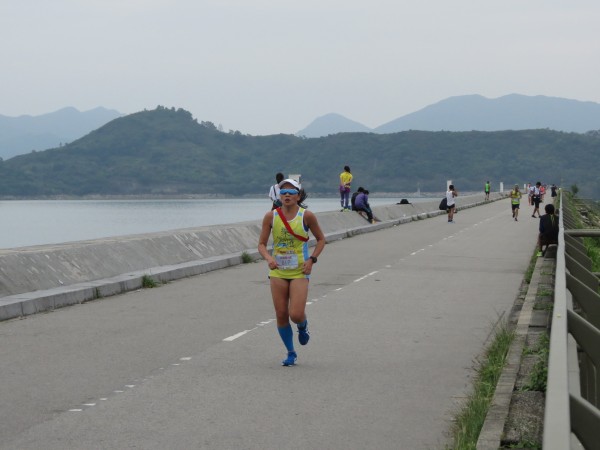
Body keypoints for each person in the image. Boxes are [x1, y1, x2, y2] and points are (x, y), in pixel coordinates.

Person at [258, 178, 326, 366]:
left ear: (298, 195)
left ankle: (303, 326)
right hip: (278, 271)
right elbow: (261, 244)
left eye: (291, 192)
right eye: (283, 192)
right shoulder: (271, 217)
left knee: (295, 314)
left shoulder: (307, 216)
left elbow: (321, 239)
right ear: (279, 196)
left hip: (299, 271)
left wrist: (312, 260)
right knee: (281, 314)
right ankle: (291, 352)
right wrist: (268, 258)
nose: (287, 195)